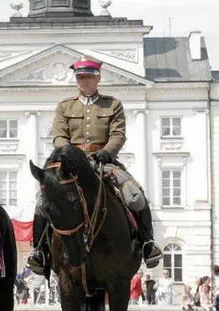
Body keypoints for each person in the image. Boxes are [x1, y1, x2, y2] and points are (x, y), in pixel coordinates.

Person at [28, 58, 162, 273]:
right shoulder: (65, 106)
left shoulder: (112, 104)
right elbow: (60, 137)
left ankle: (147, 243)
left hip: (103, 162)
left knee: (135, 195)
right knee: (42, 201)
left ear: (98, 77)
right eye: (81, 77)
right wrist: (73, 156)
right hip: (71, 165)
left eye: (89, 76)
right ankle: (39, 251)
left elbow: (118, 135)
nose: (85, 81)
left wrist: (105, 153)